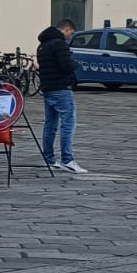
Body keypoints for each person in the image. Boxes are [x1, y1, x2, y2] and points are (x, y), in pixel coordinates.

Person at [37, 18, 86, 173]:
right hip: (62, 89)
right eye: (71, 32)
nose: (71, 35)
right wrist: (75, 64)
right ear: (66, 29)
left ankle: (49, 159)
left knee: (50, 125)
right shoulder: (59, 44)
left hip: (48, 89)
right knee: (68, 124)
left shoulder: (42, 45)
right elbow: (65, 66)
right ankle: (68, 160)